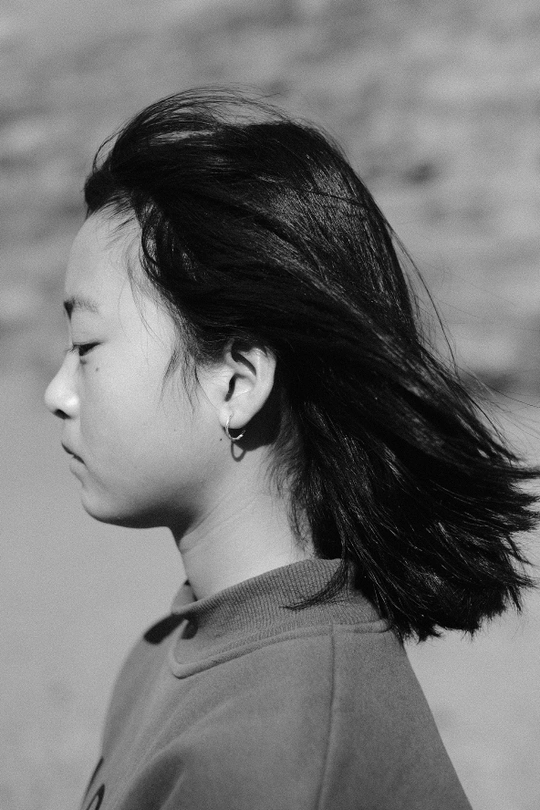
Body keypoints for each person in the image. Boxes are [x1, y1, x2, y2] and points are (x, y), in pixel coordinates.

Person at [45, 88, 537, 810]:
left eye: (86, 346)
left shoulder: (271, 759)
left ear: (236, 382)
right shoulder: (167, 652)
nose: (58, 392)